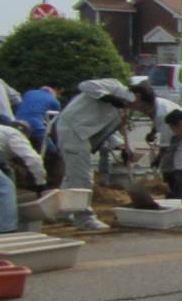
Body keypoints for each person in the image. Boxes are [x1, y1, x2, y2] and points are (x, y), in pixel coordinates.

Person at [54, 78, 135, 231]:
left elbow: (106, 130)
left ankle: (63, 211)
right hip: (73, 129)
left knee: (72, 176)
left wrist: (122, 147)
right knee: (82, 177)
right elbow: (84, 84)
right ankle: (84, 218)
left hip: (83, 134)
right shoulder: (114, 86)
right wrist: (109, 97)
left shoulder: (123, 109)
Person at [14, 85, 62, 153]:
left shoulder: (29, 93)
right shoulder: (54, 101)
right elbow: (55, 123)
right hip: (34, 123)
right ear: (56, 90)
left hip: (17, 121)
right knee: (50, 148)